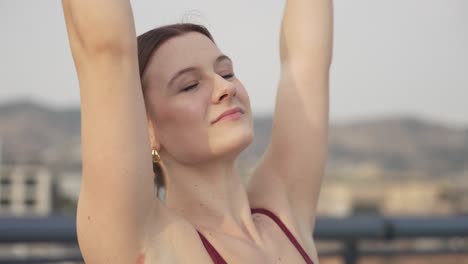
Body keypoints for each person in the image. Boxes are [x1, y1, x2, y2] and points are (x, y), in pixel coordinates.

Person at [61, 0, 332, 263]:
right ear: (147, 131)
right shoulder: (148, 242)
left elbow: (306, 62)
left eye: (226, 73)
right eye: (189, 85)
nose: (226, 88)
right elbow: (106, 50)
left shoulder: (283, 213)